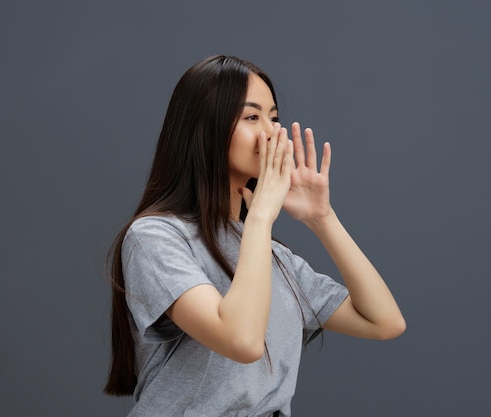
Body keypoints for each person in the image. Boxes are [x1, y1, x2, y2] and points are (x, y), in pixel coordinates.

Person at [104, 55, 406, 416]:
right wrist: (261, 217)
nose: (272, 132)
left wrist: (323, 219)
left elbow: (385, 322)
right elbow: (242, 341)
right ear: (206, 129)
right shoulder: (156, 237)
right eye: (251, 117)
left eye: (274, 117)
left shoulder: (271, 255)